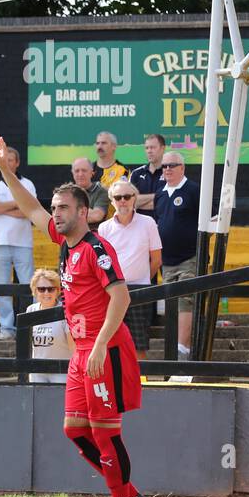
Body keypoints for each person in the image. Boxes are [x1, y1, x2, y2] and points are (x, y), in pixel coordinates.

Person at [0, 133, 145, 497]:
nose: (55, 213)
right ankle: (128, 493)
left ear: (83, 212)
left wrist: (97, 346)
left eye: (63, 208)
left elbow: (121, 297)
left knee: (106, 432)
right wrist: (8, 174)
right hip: (82, 352)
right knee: (74, 430)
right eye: (55, 207)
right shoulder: (64, 241)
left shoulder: (96, 249)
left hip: (103, 349)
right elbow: (30, 210)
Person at [98, 180, 162, 360]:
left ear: (135, 198)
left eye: (127, 196)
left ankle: (142, 386)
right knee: (110, 343)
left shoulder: (148, 223)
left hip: (139, 292)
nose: (123, 201)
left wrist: (142, 281)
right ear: (112, 201)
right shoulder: (104, 228)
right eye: (118, 197)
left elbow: (156, 260)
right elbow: (102, 263)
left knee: (139, 347)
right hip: (112, 293)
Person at [0, 144, 37, 341]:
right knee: (2, 289)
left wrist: (2, 207)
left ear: (17, 162)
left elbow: (29, 211)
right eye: (4, 159)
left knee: (30, 288)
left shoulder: (27, 184)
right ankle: (6, 329)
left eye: (11, 159)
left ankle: (32, 328)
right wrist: (17, 203)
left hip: (23, 243)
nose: (7, 163)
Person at [153, 151, 198, 361]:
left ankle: (183, 348)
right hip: (166, 259)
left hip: (189, 256)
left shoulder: (193, 190)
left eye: (172, 165)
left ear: (183, 167)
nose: (167, 169)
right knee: (171, 302)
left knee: (185, 300)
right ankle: (174, 348)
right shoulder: (160, 193)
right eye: (164, 166)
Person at [26, 268, 70, 385]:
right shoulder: (30, 310)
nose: (46, 293)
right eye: (41, 289)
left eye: (51, 289)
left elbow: (73, 346)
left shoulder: (65, 311)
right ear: (35, 291)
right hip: (37, 371)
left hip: (61, 369)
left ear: (58, 291)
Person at [130, 133, 167, 216]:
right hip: (140, 226)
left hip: (163, 224)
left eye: (153, 147)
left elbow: (169, 202)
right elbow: (130, 202)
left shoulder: (170, 172)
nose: (149, 151)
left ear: (163, 148)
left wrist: (140, 201)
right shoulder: (136, 173)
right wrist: (159, 196)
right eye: (147, 148)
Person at [70, 157, 108, 228]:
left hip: (93, 235)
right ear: (73, 173)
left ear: (91, 173)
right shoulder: (67, 192)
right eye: (77, 171)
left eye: (84, 170)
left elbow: (96, 216)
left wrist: (70, 213)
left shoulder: (101, 190)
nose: (80, 174)